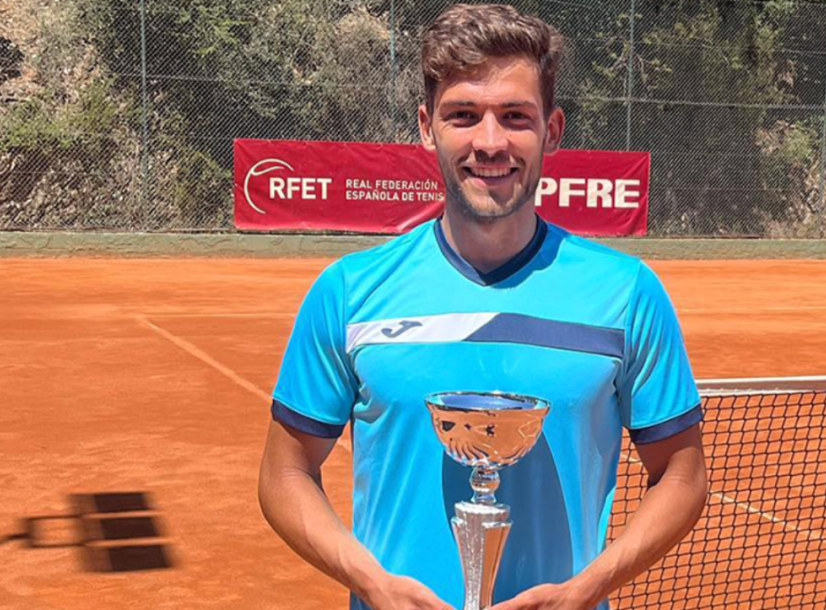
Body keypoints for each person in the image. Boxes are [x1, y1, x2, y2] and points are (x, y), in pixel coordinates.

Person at [257, 4, 708, 610]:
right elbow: (284, 473)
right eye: (463, 115)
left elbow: (682, 473)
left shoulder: (626, 294)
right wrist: (371, 581)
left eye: (515, 116)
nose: (490, 142)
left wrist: (589, 587)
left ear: (552, 129)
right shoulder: (349, 291)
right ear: (427, 127)